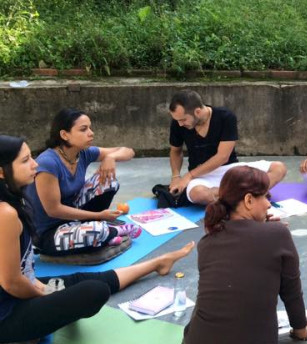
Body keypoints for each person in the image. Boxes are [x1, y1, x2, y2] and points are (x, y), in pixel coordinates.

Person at [0, 134, 194, 343]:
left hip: (20, 289)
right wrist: (47, 294)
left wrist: (43, 288)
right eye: (25, 160)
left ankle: (157, 263)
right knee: (94, 291)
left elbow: (22, 276)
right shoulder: (6, 213)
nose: (34, 164)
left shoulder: (15, 198)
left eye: (31, 157)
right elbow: (11, 283)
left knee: (82, 280)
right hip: (7, 313)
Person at [183, 166, 307, 344]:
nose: (268, 204)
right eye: (265, 196)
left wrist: (265, 228)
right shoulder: (277, 234)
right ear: (248, 200)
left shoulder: (206, 242)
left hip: (195, 338)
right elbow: (291, 293)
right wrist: (302, 333)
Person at [25, 108, 142, 256]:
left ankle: (101, 234)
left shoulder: (82, 153)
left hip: (73, 217)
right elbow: (54, 210)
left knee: (109, 181)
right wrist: (99, 215)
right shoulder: (48, 163)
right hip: (48, 233)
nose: (91, 133)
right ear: (64, 135)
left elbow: (128, 151)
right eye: (83, 129)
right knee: (96, 231)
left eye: (90, 128)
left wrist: (110, 157)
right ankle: (110, 232)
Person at [167, 90, 287, 205]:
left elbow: (222, 157)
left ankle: (234, 196)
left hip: (229, 170)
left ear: (197, 111)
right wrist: (176, 177)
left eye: (183, 119)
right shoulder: (178, 124)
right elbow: (175, 151)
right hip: (201, 176)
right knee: (198, 194)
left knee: (279, 168)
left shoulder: (225, 117)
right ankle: (251, 194)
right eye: (177, 120)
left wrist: (189, 175)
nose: (180, 124)